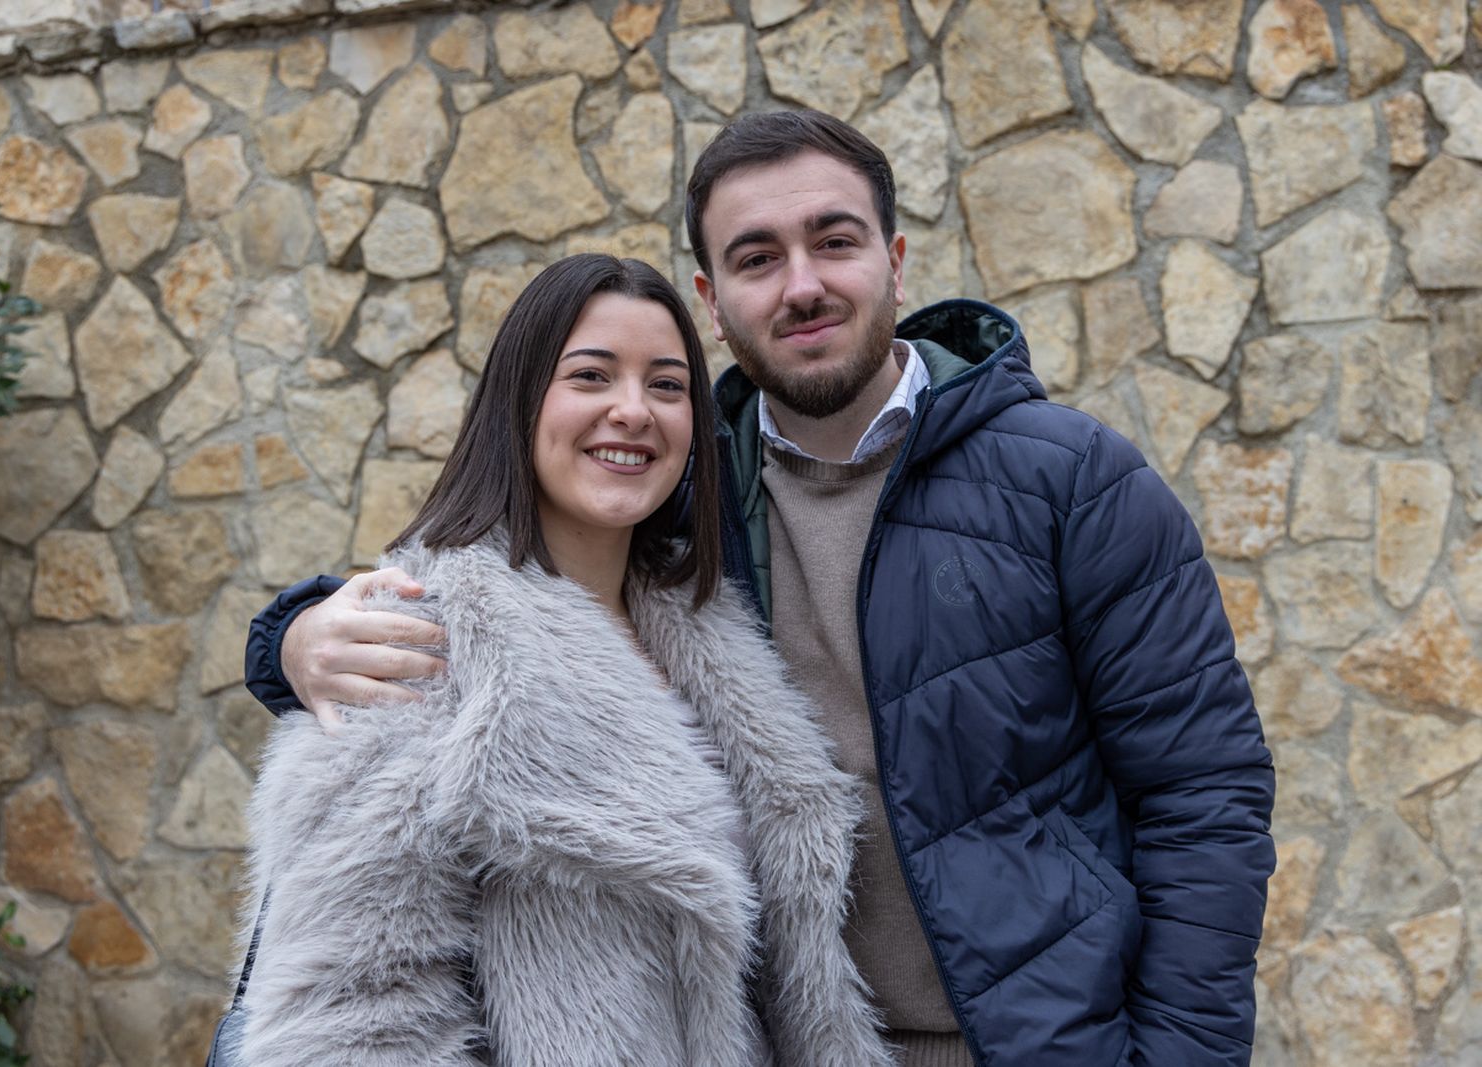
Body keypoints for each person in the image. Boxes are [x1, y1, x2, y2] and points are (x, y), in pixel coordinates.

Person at [245, 112, 1276, 1067]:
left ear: (894, 258)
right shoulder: (688, 511)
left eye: (834, 240)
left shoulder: (1072, 479)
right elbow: (493, 595)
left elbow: (1203, 794)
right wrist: (291, 637)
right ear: (712, 301)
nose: (802, 285)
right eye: (755, 257)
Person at [234, 254, 894, 1066]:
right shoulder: (411, 645)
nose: (632, 411)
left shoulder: (713, 631)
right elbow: (351, 1022)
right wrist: (288, 636)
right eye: (590, 376)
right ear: (520, 400)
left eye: (665, 385)